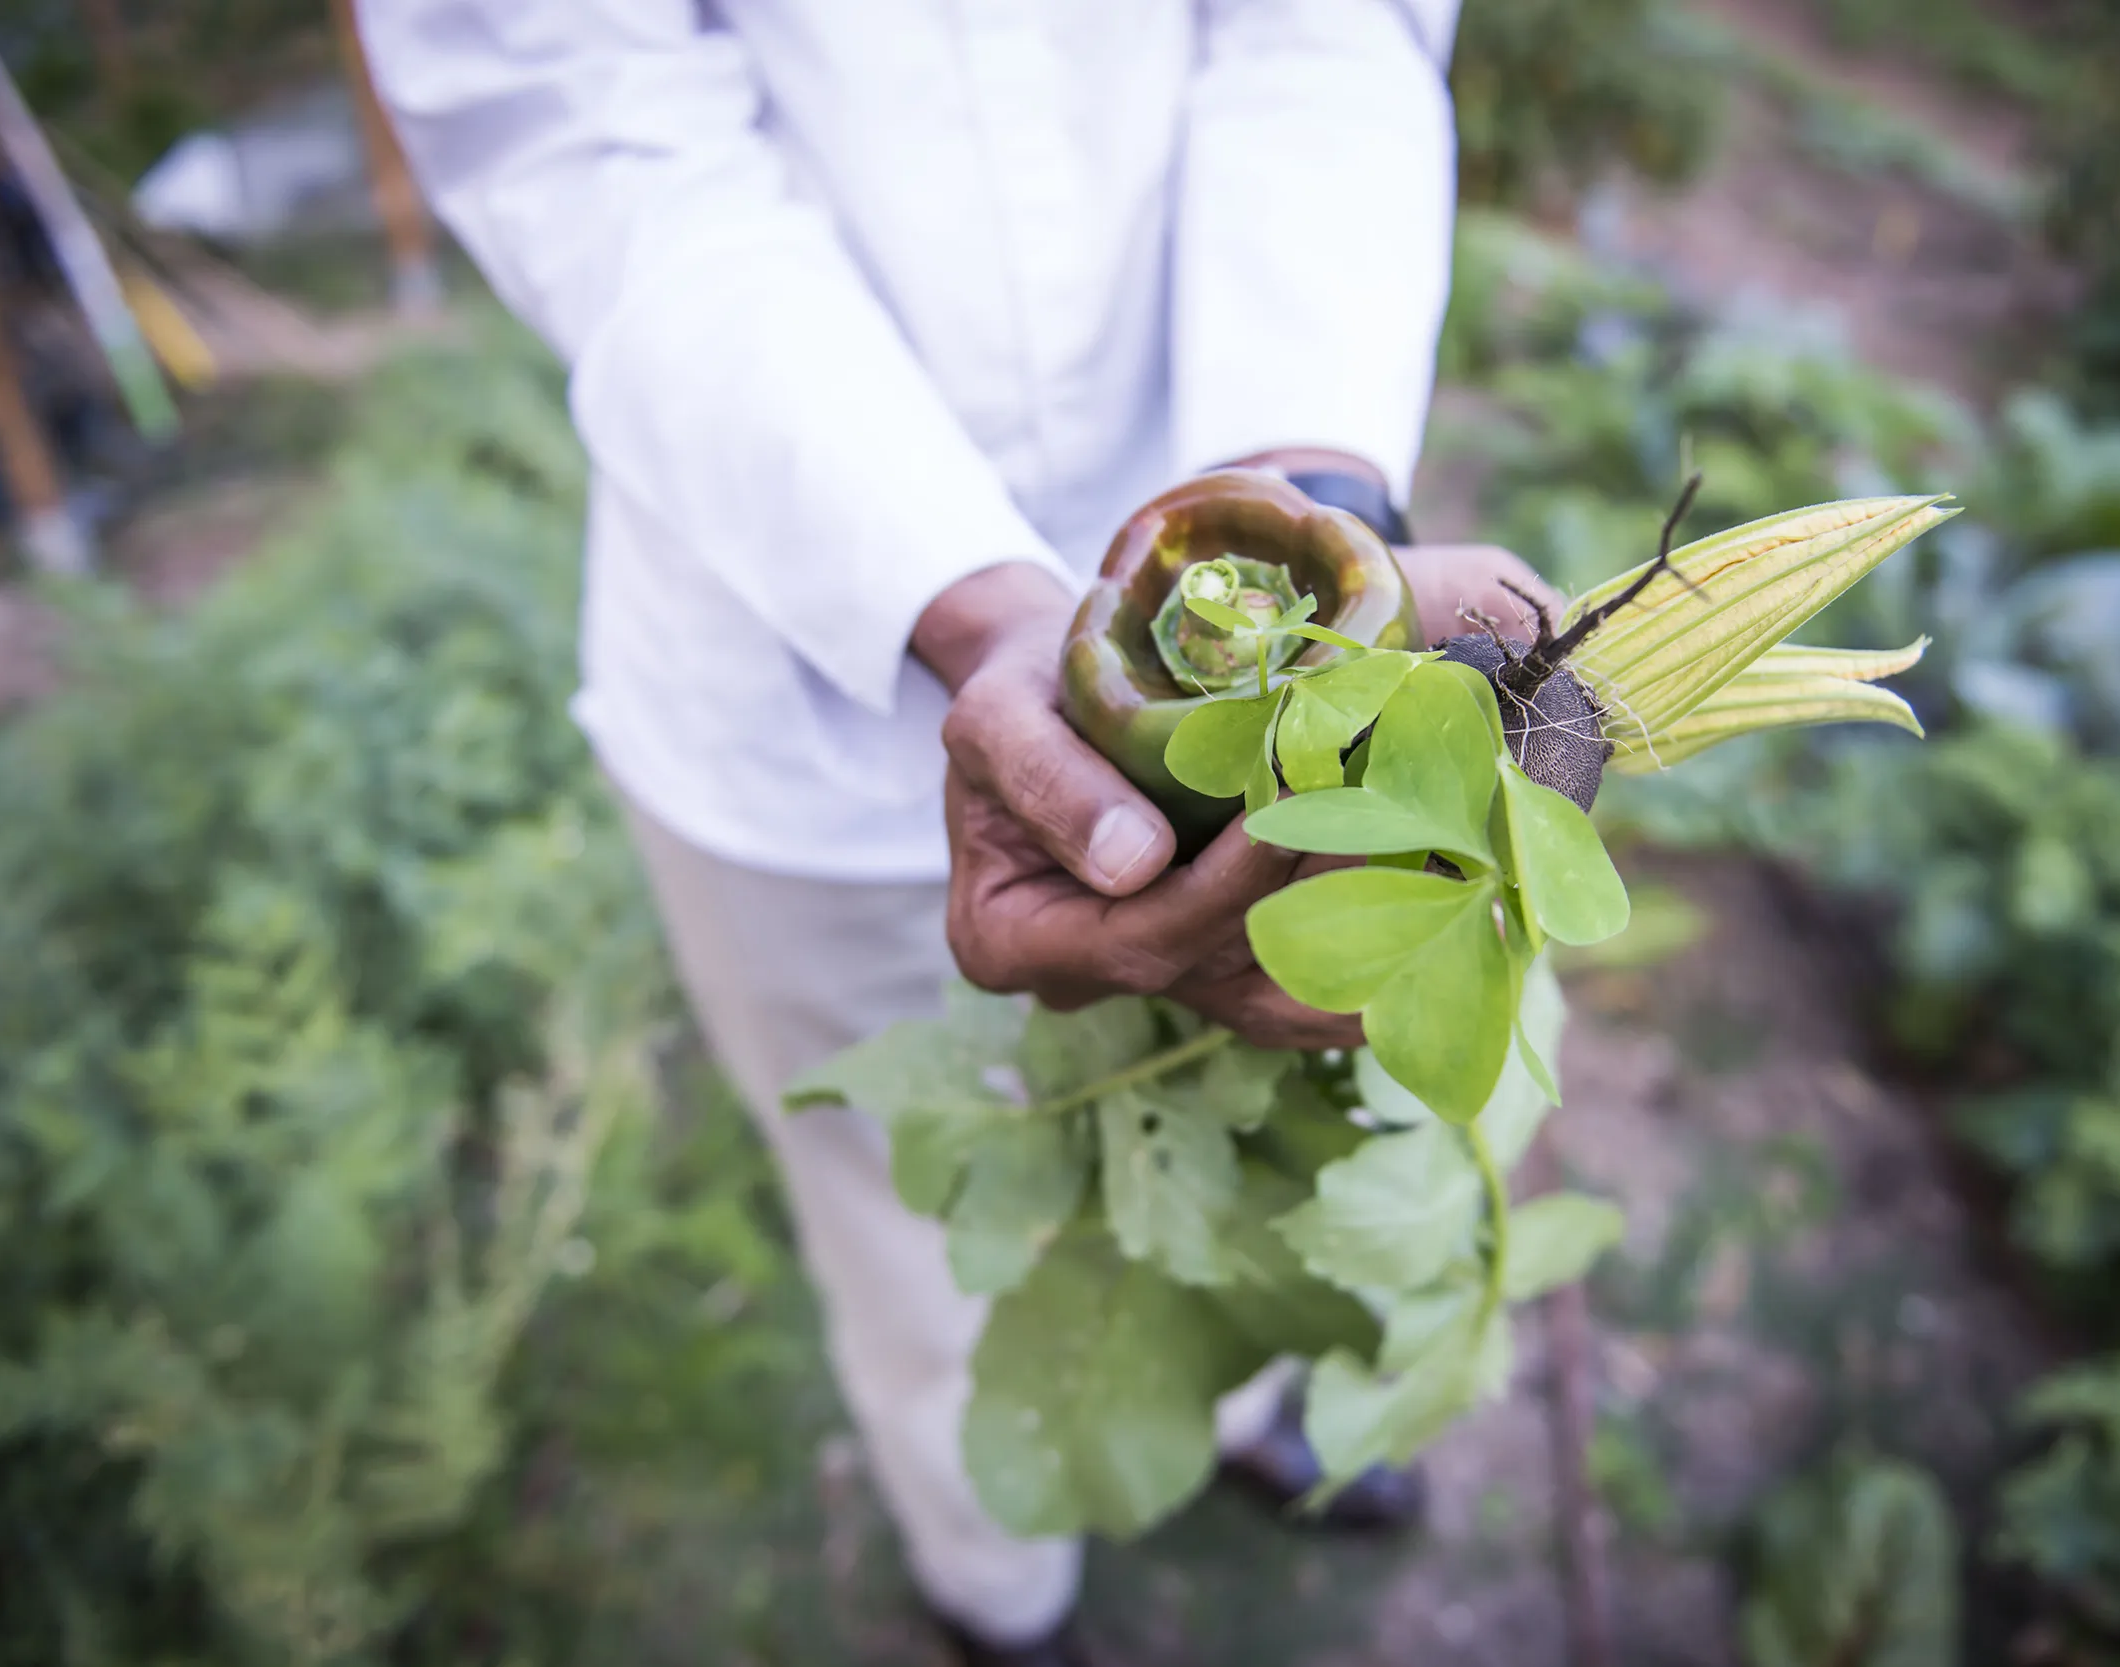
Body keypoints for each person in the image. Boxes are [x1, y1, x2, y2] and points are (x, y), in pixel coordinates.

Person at [355, 4, 1563, 1661]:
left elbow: (1328, 31)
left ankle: (1248, 1408)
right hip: (795, 642)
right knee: (909, 1221)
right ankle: (996, 1588)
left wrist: (1320, 504)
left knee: (1265, 1124)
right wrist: (957, 592)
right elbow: (575, 112)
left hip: (1251, 571)